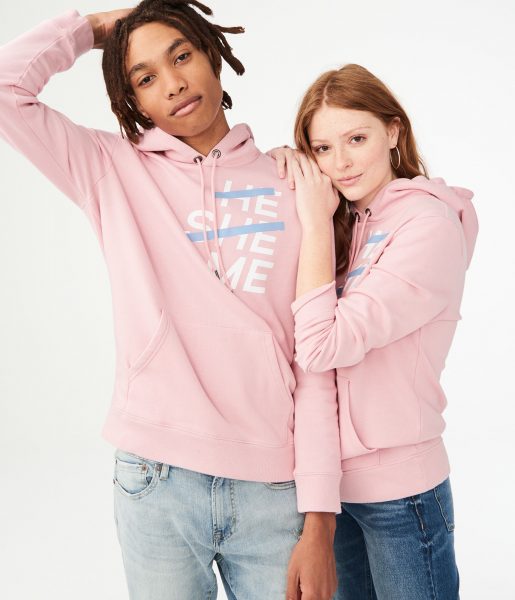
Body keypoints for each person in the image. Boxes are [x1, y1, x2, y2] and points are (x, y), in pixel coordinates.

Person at [0, 2, 342, 599]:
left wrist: (320, 522)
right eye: (145, 77)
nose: (174, 83)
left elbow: (316, 364)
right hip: (155, 480)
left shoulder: (296, 186)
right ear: (131, 100)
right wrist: (94, 29)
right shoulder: (109, 170)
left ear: (212, 54)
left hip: (273, 488)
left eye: (182, 55)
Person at [271, 63, 478, 599]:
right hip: (329, 492)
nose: (340, 163)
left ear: (393, 131)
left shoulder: (428, 228)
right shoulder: (346, 224)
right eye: (322, 149)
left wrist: (315, 221)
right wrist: (282, 174)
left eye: (356, 139)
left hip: (402, 496)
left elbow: (321, 346)